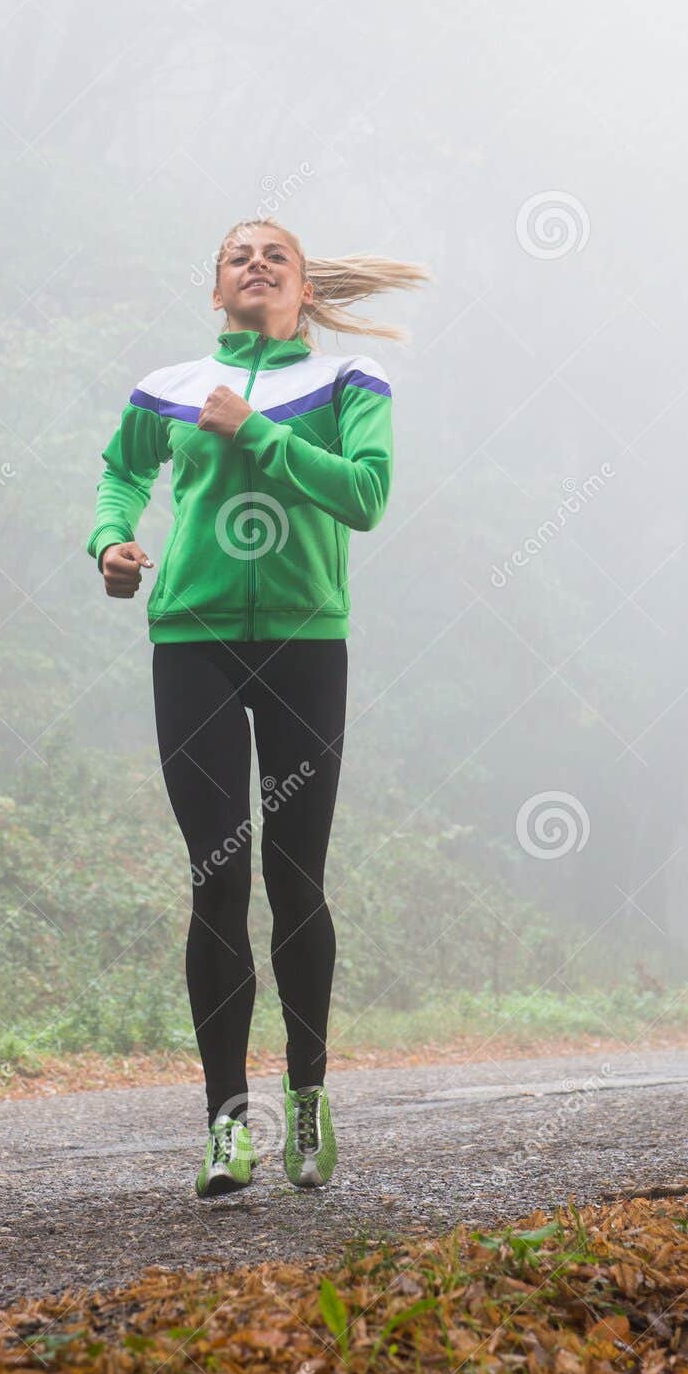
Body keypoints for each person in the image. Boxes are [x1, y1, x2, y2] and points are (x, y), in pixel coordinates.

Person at [86, 218, 429, 1196]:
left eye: (275, 254)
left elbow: (364, 495)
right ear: (215, 288)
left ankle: (309, 1097)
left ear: (304, 289)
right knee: (216, 877)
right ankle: (227, 1123)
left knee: (296, 877)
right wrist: (111, 540)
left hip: (305, 641)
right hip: (191, 639)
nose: (256, 263)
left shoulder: (350, 383)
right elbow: (121, 470)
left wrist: (261, 433)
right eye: (239, 254)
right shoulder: (169, 385)